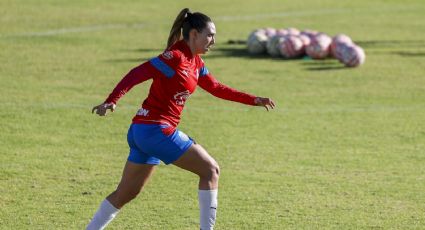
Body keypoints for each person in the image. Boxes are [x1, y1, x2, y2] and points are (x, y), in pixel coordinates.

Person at [87, 8, 275, 230]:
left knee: (126, 193)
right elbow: (137, 73)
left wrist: (254, 99)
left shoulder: (195, 63)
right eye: (210, 35)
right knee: (210, 170)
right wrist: (112, 100)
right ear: (194, 34)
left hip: (142, 133)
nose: (213, 41)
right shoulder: (174, 57)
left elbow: (216, 88)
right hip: (156, 131)